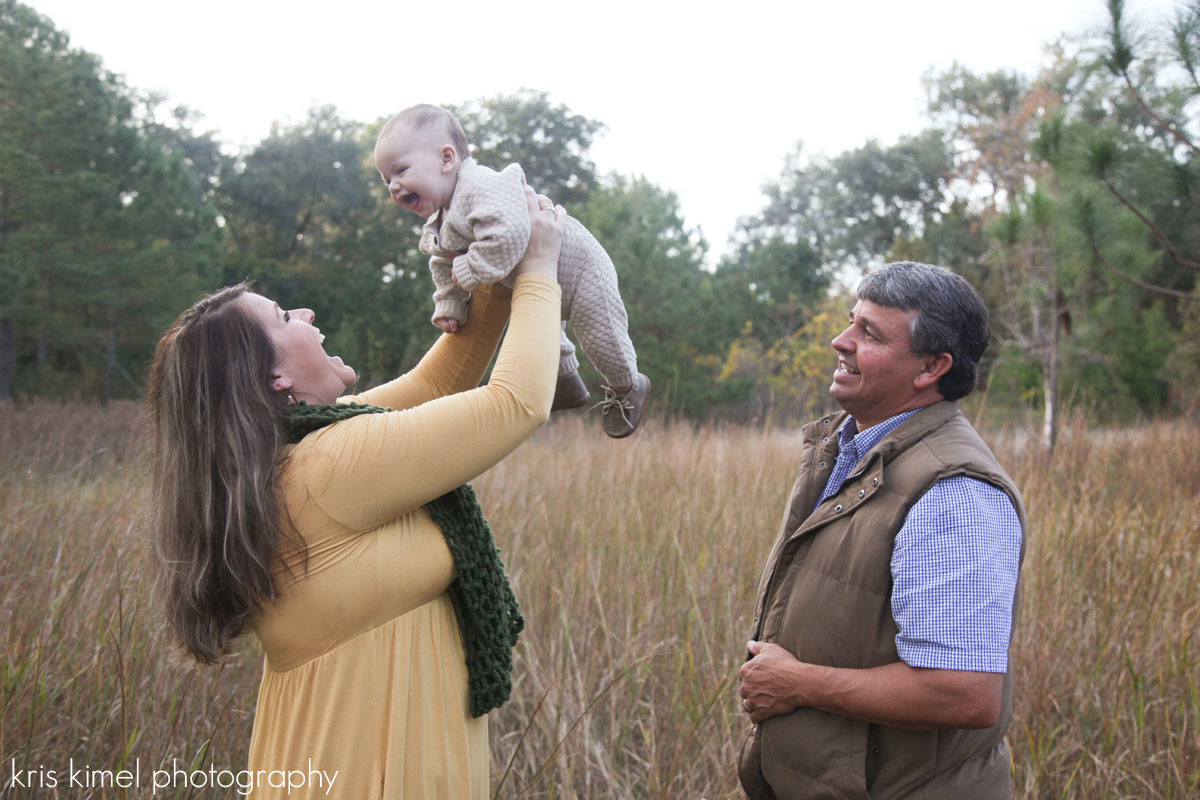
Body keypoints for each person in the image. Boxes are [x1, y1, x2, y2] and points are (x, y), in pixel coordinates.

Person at [146, 187, 566, 799]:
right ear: (274, 379)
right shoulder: (326, 465)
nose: (308, 314)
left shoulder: (301, 454)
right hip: (369, 772)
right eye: (285, 317)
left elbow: (437, 380)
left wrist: (495, 270)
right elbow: (518, 402)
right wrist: (541, 267)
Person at [737, 262, 1027, 799]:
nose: (839, 340)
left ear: (931, 367)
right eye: (852, 321)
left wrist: (798, 684)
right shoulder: (853, 452)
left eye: (869, 333)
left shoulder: (952, 493)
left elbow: (963, 693)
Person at [373, 103, 651, 438]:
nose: (393, 186)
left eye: (401, 171)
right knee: (541, 336)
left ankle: (627, 387)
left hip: (579, 268)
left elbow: (510, 233)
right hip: (533, 279)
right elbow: (443, 261)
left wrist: (473, 267)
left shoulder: (482, 186)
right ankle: (565, 385)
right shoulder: (442, 218)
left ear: (447, 159)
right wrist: (450, 303)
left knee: (600, 334)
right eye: (387, 178)